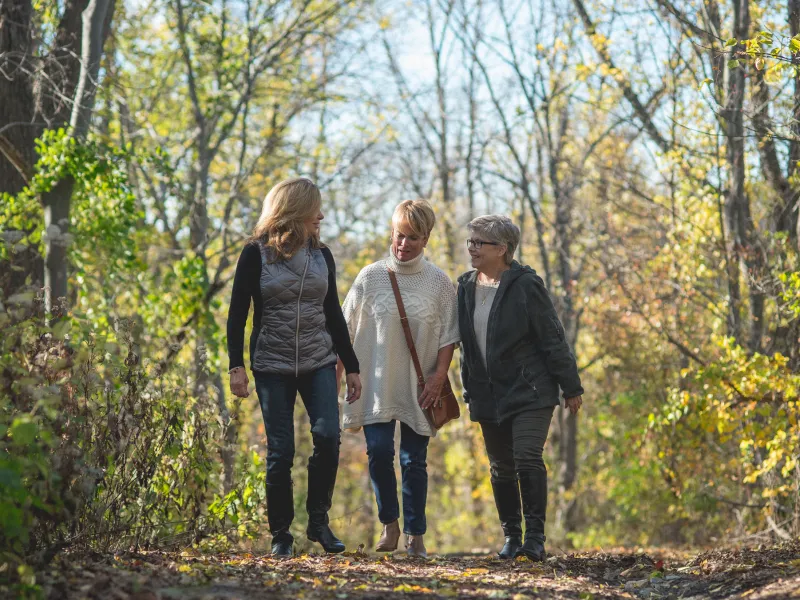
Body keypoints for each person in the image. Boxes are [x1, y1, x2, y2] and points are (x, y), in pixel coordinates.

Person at [226, 177, 362, 557]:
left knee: (328, 437)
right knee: (281, 451)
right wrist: (236, 365)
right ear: (295, 212)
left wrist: (351, 366)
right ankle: (281, 535)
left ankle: (318, 521)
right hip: (272, 363)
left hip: (318, 360)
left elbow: (333, 312)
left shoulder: (323, 255)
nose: (320, 215)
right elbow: (238, 314)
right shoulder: (255, 254)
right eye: (314, 209)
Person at [457, 215, 584, 561]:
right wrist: (467, 387)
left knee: (527, 456)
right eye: (470, 241)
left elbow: (552, 337)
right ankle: (512, 536)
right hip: (487, 394)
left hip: (530, 390)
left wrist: (570, 386)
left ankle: (535, 537)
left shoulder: (526, 285)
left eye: (479, 242)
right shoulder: (465, 286)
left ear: (502, 249)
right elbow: (465, 346)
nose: (472, 248)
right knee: (500, 467)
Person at [338, 200, 459, 558]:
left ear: (426, 239)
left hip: (420, 387)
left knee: (412, 460)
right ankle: (389, 523)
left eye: (413, 238)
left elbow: (449, 335)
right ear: (391, 233)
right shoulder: (370, 276)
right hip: (375, 383)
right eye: (399, 236)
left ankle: (415, 534)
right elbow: (344, 328)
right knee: (377, 452)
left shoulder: (439, 282)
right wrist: (338, 376)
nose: (404, 244)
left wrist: (440, 375)